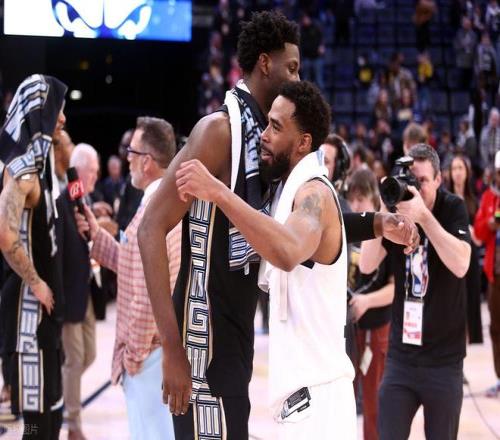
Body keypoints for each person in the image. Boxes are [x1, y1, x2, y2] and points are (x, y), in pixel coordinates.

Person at [138, 12, 418, 440]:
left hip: (237, 328)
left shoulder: (266, 144)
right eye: (292, 67)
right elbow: (149, 229)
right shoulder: (219, 131)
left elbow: (300, 229)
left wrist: (376, 222)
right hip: (202, 332)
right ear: (265, 64)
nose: (297, 77)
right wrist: (172, 349)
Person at [76, 117, 180, 439]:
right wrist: (96, 234)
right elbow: (134, 265)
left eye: (131, 152)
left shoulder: (155, 212)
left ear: (147, 161)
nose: (127, 159)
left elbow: (149, 292)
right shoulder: (162, 204)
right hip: (154, 353)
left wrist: (134, 353)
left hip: (149, 357)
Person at [360, 143, 472, 440]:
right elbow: (367, 265)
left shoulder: (452, 207)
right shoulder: (396, 213)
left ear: (438, 179)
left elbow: (461, 264)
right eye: (411, 181)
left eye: (422, 181)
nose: (416, 189)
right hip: (402, 357)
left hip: (444, 362)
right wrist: (383, 210)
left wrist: (424, 218)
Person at [0, 74, 67, 439]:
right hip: (29, 319)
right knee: (37, 425)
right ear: (39, 112)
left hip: (45, 320)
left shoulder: (43, 166)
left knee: (50, 417)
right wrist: (37, 282)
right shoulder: (23, 173)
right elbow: (5, 234)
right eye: (57, 110)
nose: (63, 118)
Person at [346, 168, 394, 440]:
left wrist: (366, 301)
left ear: (374, 198)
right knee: (343, 398)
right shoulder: (345, 226)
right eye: (351, 199)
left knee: (374, 404)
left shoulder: (385, 230)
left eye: (361, 199)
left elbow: (395, 288)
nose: (355, 206)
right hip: (348, 326)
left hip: (377, 326)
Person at [57, 143, 100, 440]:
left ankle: (60, 391)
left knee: (89, 355)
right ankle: (73, 423)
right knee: (74, 361)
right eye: (92, 171)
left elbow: (85, 240)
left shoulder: (80, 199)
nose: (95, 176)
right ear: (80, 170)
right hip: (68, 295)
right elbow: (58, 254)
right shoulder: (62, 203)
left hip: (84, 291)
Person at [447, 154, 483, 344]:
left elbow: (479, 237)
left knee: (472, 296)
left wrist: (468, 230)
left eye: (461, 168)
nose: (458, 173)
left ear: (467, 172)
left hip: (471, 253)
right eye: (454, 168)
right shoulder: (446, 201)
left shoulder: (473, 201)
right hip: (451, 253)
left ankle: (472, 337)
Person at [474, 150, 500, 397]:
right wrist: (491, 223)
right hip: (495, 275)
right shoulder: (488, 197)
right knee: (496, 328)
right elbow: (479, 233)